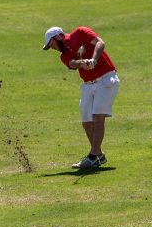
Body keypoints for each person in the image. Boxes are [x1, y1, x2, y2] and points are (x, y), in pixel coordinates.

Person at [43, 26, 119, 169]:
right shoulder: (63, 55)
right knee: (86, 121)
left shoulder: (80, 32)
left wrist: (94, 59)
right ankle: (99, 156)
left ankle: (91, 156)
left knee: (97, 118)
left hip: (106, 79)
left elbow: (100, 43)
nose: (52, 48)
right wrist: (83, 63)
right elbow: (72, 63)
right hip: (88, 85)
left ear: (58, 37)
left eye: (51, 44)